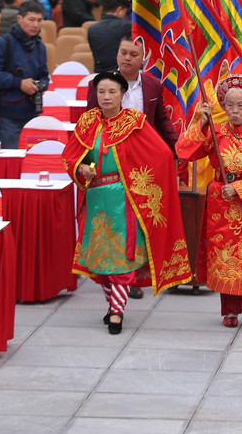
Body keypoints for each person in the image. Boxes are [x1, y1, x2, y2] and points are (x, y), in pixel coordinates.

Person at [62, 71, 191, 334]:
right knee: (100, 260)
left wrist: (138, 182)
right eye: (101, 92)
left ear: (123, 94)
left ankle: (117, 313)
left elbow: (163, 156)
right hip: (96, 200)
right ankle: (112, 306)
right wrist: (82, 169)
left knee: (121, 259)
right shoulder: (87, 122)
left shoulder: (135, 122)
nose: (106, 97)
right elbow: (71, 155)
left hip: (123, 199)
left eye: (112, 91)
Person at [176, 75, 242, 330]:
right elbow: (184, 152)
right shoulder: (215, 132)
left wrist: (241, 188)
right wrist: (199, 124)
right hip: (223, 204)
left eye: (240, 105)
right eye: (229, 105)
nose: (234, 110)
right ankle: (229, 310)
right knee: (227, 257)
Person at [0, 0, 49, 148]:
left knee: (31, 165)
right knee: (10, 164)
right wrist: (19, 83)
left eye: (39, 20)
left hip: (33, 115)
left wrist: (42, 86)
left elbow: (44, 75)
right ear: (19, 19)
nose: (36, 25)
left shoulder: (40, 47)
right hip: (8, 117)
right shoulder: (2, 43)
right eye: (31, 20)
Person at [87, 0, 132, 72]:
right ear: (119, 10)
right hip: (121, 73)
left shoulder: (92, 29)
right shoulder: (127, 26)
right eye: (124, 11)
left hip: (98, 73)